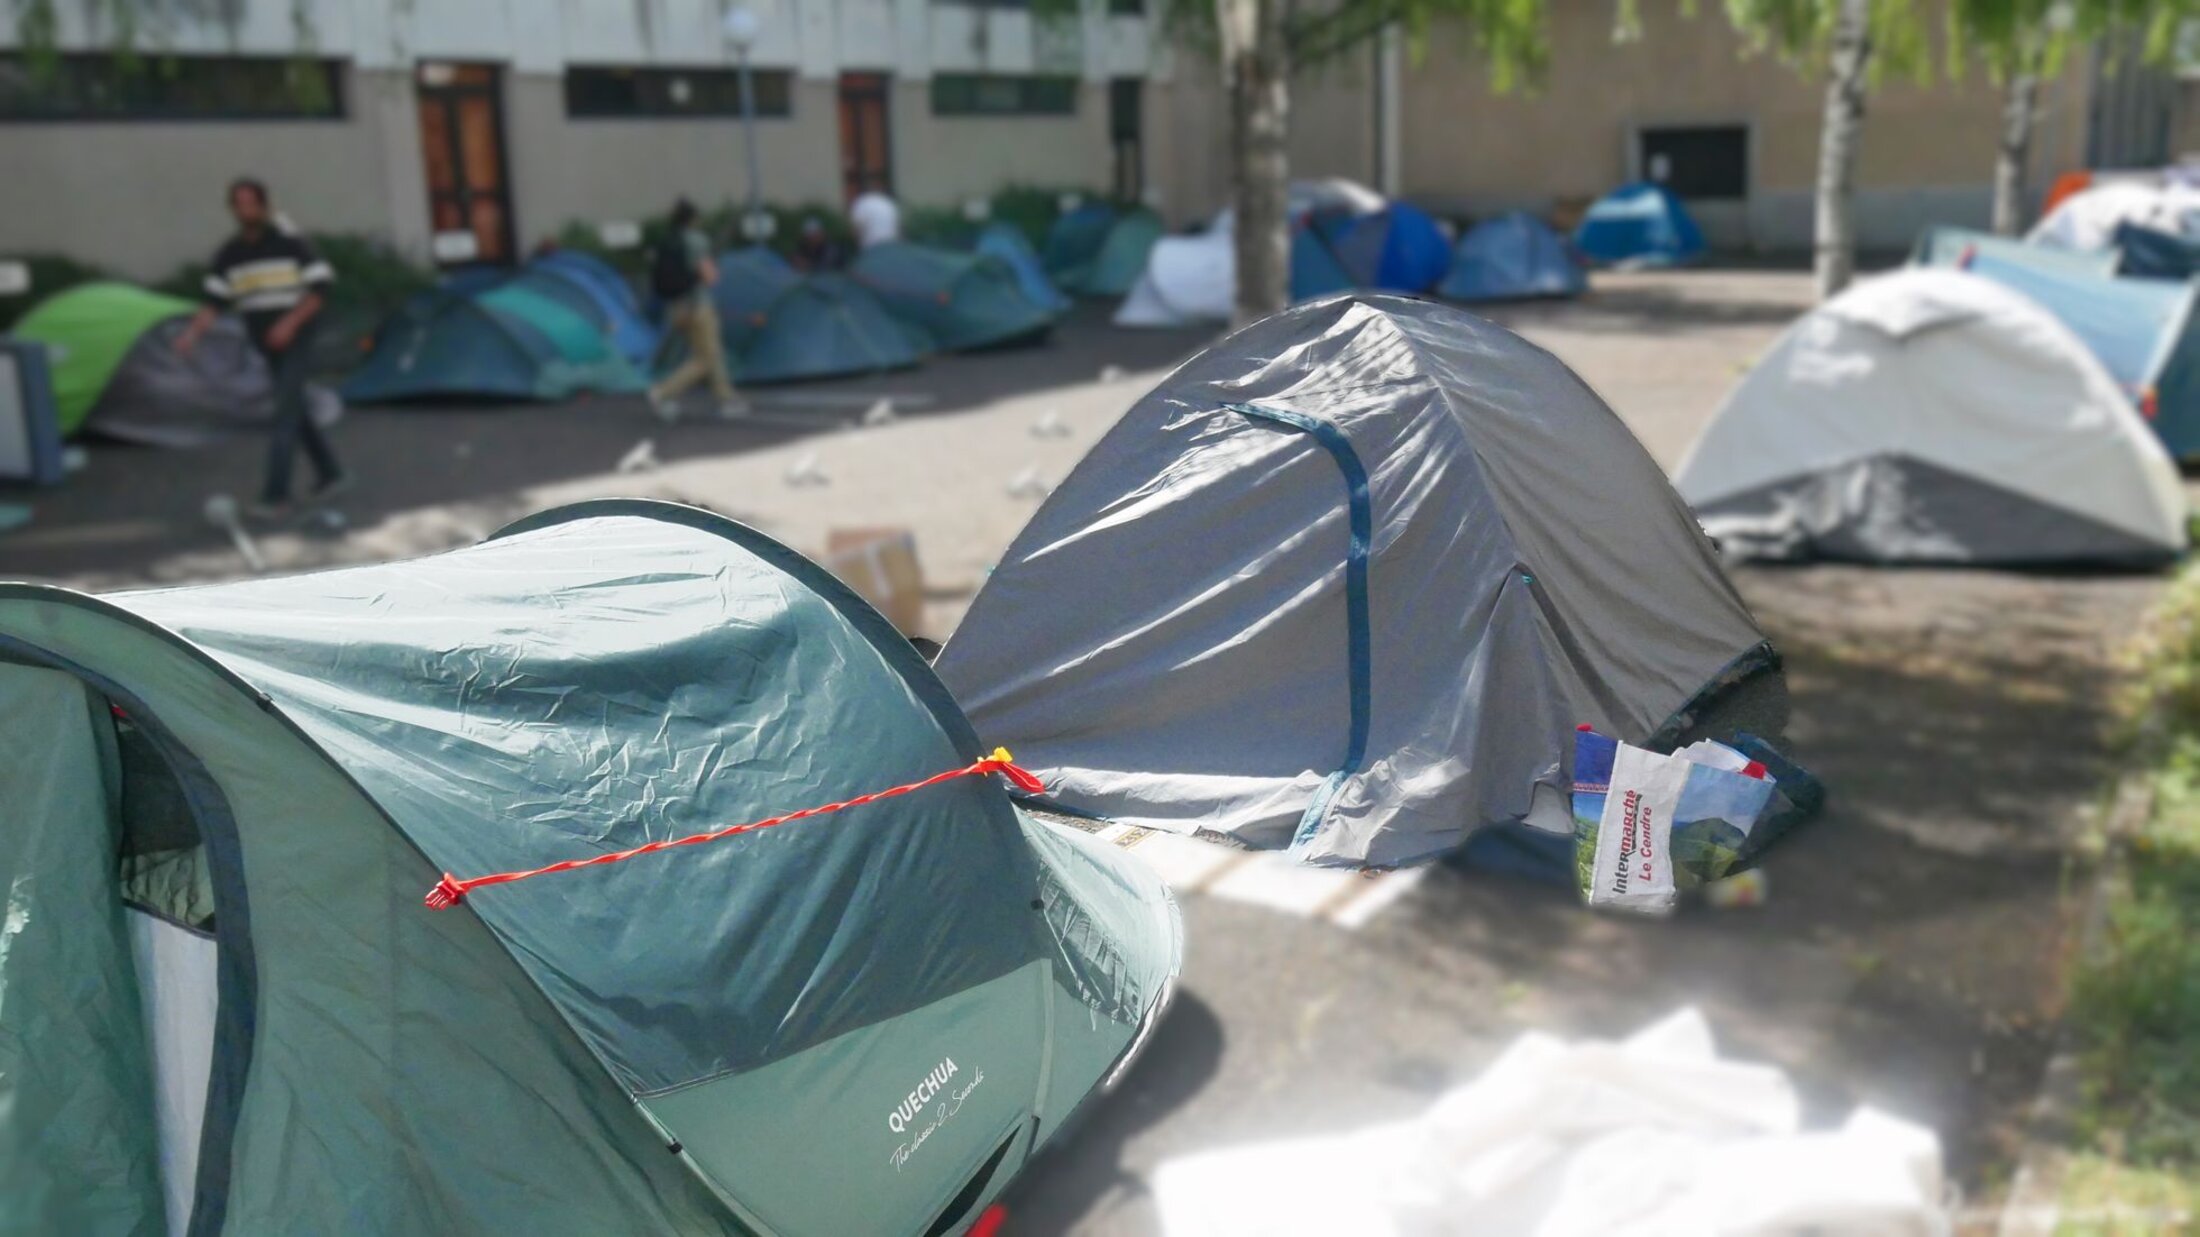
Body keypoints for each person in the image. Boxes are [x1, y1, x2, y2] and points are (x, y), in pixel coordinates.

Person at [176, 176, 347, 521]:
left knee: (283, 415)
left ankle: (276, 497)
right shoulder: (231, 254)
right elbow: (215, 301)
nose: (246, 210)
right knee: (294, 409)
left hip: (297, 339)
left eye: (252, 203)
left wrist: (289, 324)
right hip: (267, 345)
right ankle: (330, 473)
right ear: (232, 208)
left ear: (264, 205)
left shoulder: (291, 243)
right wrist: (191, 334)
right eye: (239, 203)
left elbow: (320, 290)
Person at [647, 198, 746, 421]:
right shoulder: (696, 240)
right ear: (693, 219)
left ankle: (726, 398)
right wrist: (713, 268)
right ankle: (662, 392)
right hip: (698, 306)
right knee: (706, 358)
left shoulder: (669, 239)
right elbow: (710, 277)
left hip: (676, 307)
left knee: (710, 352)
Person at [850, 181, 901, 250]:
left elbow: (857, 229)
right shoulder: (887, 202)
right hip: (891, 244)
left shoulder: (862, 203)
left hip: (872, 245)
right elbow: (898, 226)